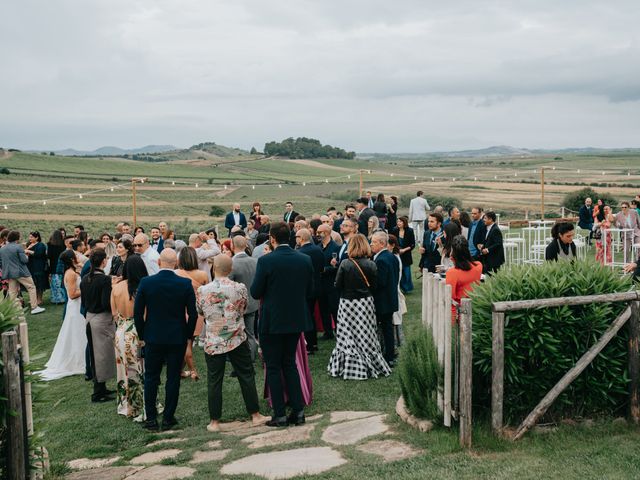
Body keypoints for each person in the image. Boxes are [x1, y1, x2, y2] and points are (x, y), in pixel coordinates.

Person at [250, 221, 313, 427]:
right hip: (296, 319)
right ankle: (298, 411)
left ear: (272, 239)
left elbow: (256, 292)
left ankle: (279, 414)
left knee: (274, 366)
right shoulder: (304, 259)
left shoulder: (266, 262)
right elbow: (310, 291)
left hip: (273, 320)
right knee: (290, 364)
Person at [199, 255, 269, 432]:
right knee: (246, 374)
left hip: (213, 340)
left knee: (214, 380)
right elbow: (244, 308)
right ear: (230, 270)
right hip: (237, 337)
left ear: (214, 269)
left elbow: (200, 310)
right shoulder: (239, 288)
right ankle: (255, 415)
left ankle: (214, 421)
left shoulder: (203, 290)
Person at [134, 249, 198, 431]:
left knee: (151, 377)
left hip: (153, 336)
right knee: (173, 378)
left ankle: (151, 419)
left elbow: (138, 314)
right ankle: (168, 417)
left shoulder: (146, 283)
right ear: (176, 263)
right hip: (177, 337)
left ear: (159, 263)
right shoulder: (184, 284)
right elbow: (192, 314)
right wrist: (187, 335)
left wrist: (142, 335)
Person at [329, 234, 391, 380]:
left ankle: (349, 364)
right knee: (366, 332)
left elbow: (337, 285)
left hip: (347, 302)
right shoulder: (371, 264)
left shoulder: (345, 263)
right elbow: (375, 286)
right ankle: (370, 361)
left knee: (347, 333)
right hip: (365, 303)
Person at [38, 250, 86, 380]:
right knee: (76, 333)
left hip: (77, 306)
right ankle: (77, 361)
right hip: (75, 307)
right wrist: (86, 288)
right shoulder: (70, 274)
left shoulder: (73, 271)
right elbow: (72, 294)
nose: (77, 257)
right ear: (71, 259)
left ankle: (81, 358)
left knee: (79, 333)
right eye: (75, 256)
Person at [111, 255, 148, 419]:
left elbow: (114, 314)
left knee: (123, 369)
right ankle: (142, 404)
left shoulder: (116, 288)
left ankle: (125, 404)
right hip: (137, 331)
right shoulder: (142, 288)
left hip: (121, 332)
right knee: (141, 368)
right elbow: (146, 314)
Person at [81, 248, 116, 403]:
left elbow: (83, 303)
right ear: (104, 261)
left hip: (89, 317)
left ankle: (101, 387)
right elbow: (105, 303)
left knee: (97, 353)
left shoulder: (85, 279)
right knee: (101, 355)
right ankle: (98, 393)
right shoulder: (104, 280)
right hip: (101, 319)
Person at [175, 247, 209, 381]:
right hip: (196, 312)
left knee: (184, 343)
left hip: (180, 309)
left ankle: (181, 370)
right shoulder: (202, 275)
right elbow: (207, 294)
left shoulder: (176, 273)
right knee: (189, 341)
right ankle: (190, 370)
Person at [371, 231, 400, 365]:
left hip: (382, 300)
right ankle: (389, 354)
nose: (371, 244)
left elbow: (380, 282)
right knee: (387, 328)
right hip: (390, 298)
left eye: (374, 242)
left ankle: (387, 355)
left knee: (383, 328)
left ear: (382, 243)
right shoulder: (391, 256)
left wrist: (369, 284)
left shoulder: (381, 259)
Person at [229, 236, 260, 361]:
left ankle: (238, 359)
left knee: (235, 334)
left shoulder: (231, 263)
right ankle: (251, 358)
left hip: (236, 305)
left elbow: (228, 286)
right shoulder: (255, 261)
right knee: (250, 333)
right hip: (252, 303)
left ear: (232, 246)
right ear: (246, 245)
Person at [0, 230, 44, 314]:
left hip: (9, 273)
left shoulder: (2, 248)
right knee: (31, 287)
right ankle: (34, 307)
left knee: (12, 291)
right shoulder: (18, 247)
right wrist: (26, 255)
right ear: (17, 238)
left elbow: (1, 261)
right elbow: (24, 260)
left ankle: (13, 310)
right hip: (21, 272)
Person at [296, 228, 324, 355]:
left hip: (305, 288)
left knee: (307, 316)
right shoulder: (318, 249)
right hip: (317, 285)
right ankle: (313, 343)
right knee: (311, 315)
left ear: (301, 238)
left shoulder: (300, 252)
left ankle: (309, 344)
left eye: (297, 236)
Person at [445, 236, 483, 322]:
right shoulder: (479, 266)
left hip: (459, 312)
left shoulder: (452, 273)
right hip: (475, 309)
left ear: (453, 253)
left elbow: (451, 297)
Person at [317, 224, 340, 340]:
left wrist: (325, 269)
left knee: (334, 308)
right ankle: (328, 332)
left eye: (319, 232)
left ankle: (339, 331)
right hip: (320, 284)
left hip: (331, 283)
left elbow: (338, 266)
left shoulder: (336, 247)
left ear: (326, 233)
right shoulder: (318, 247)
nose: (317, 234)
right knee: (323, 308)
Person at [388, 235, 406, 347]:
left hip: (394, 289)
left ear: (392, 245)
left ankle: (397, 342)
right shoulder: (394, 256)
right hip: (395, 289)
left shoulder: (395, 258)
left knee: (395, 319)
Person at [391, 216, 415, 293]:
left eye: (400, 221)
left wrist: (404, 250)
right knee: (398, 271)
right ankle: (401, 287)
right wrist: (397, 250)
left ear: (404, 222)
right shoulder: (394, 230)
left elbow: (412, 244)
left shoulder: (410, 231)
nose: (398, 223)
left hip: (406, 254)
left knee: (406, 272)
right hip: (397, 253)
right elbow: (392, 242)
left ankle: (408, 288)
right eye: (398, 221)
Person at [25, 231, 48, 306]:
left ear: (37, 237)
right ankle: (33, 299)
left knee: (39, 284)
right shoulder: (29, 244)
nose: (30, 238)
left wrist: (28, 251)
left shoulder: (41, 245)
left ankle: (39, 299)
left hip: (39, 267)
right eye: (30, 237)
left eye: (31, 237)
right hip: (31, 267)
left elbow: (39, 254)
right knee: (33, 284)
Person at [47, 229, 67, 304]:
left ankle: (55, 298)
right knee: (62, 283)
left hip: (53, 265)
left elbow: (49, 256)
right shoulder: (63, 245)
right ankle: (63, 298)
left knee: (55, 283)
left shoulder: (50, 244)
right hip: (62, 265)